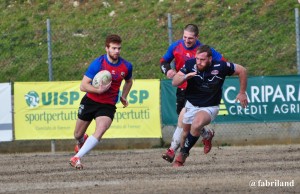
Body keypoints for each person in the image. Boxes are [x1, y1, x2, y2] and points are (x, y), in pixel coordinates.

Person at [171, 45, 248, 167]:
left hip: (210, 107)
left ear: (210, 59)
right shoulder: (190, 64)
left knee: (196, 125)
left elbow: (242, 70)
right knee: (185, 134)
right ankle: (207, 135)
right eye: (197, 59)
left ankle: (183, 155)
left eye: (202, 60)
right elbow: (174, 82)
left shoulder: (221, 66)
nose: (199, 62)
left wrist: (242, 92)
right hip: (191, 105)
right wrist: (185, 77)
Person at [160, 24, 227, 163]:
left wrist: (211, 77)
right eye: (184, 37)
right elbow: (163, 61)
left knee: (183, 121)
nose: (187, 40)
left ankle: (172, 150)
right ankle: (206, 134)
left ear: (197, 37)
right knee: (185, 121)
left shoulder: (204, 50)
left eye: (190, 38)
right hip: (182, 87)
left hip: (198, 90)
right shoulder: (175, 46)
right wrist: (167, 71)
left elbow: (222, 63)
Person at [69, 34, 133, 170]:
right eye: (114, 48)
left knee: (101, 129)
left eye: (119, 48)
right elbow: (83, 86)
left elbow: (129, 81)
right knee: (77, 134)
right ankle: (81, 141)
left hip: (108, 105)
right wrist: (98, 90)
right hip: (91, 101)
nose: (117, 51)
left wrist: (124, 96)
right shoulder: (98, 64)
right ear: (107, 49)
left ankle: (76, 158)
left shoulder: (126, 66)